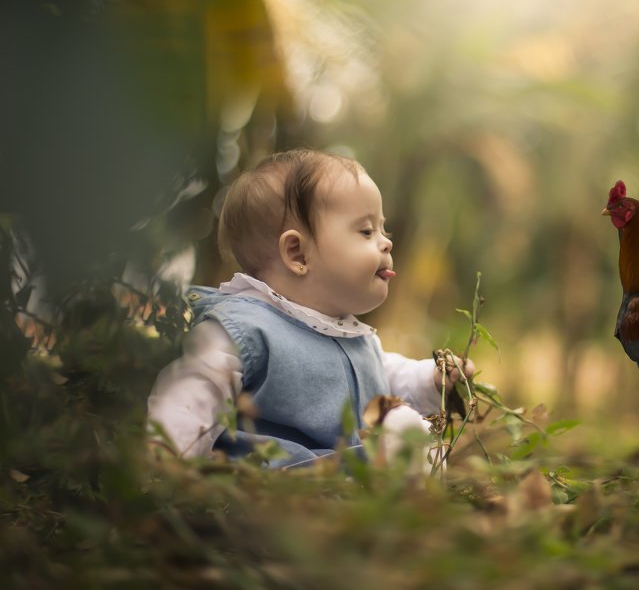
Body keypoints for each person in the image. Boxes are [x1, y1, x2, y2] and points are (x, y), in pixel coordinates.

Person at [148, 149, 472, 469]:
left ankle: (407, 481)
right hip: (276, 485)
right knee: (404, 440)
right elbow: (189, 401)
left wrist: (431, 379)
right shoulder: (244, 330)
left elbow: (382, 374)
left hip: (351, 482)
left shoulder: (351, 336)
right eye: (366, 231)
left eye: (383, 229)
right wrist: (165, 464)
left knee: (406, 432)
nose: (386, 242)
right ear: (298, 254)